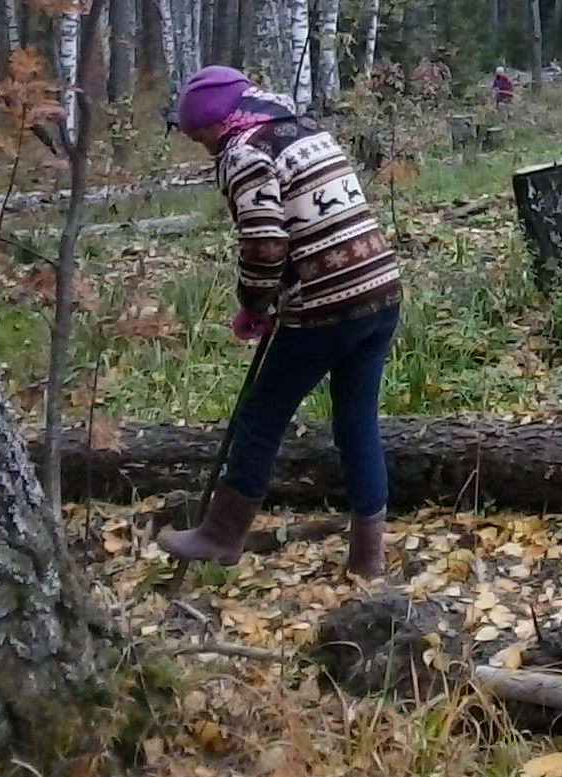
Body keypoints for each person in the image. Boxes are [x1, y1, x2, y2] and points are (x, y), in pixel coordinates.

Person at [157, 65, 403, 580]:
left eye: (199, 136)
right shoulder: (304, 130)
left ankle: (222, 535)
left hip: (325, 301)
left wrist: (253, 305)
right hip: (380, 288)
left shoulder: (244, 152)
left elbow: (265, 243)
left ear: (213, 124)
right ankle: (368, 560)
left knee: (261, 415)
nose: (203, 148)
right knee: (356, 422)